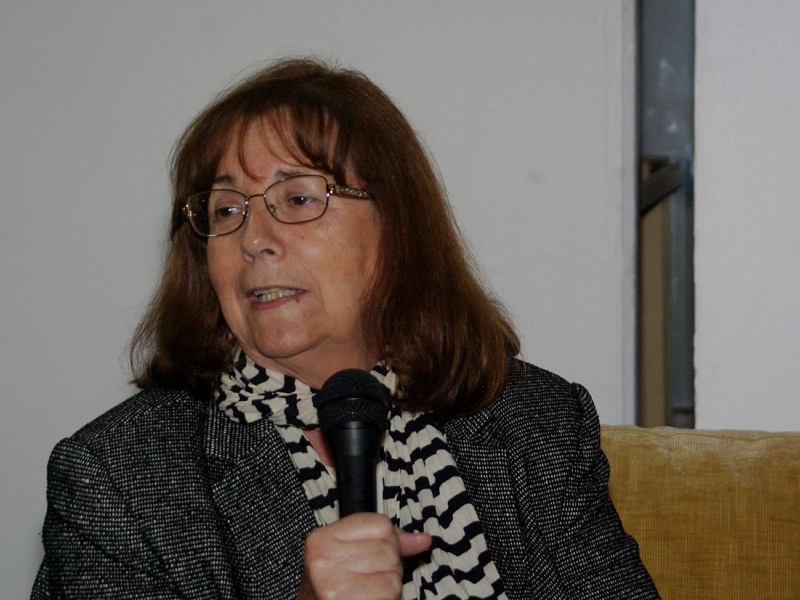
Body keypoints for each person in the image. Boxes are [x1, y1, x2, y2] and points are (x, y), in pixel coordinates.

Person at [31, 58, 658, 599]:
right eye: (227, 210)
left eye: (300, 198)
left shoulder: (534, 420)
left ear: (396, 226)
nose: (253, 240)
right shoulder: (117, 477)